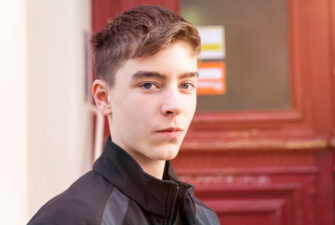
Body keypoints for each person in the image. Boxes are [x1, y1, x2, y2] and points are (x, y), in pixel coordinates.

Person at [27, 5, 220, 225]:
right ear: (103, 97)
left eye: (186, 85)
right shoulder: (69, 219)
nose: (174, 106)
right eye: (149, 85)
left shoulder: (204, 218)